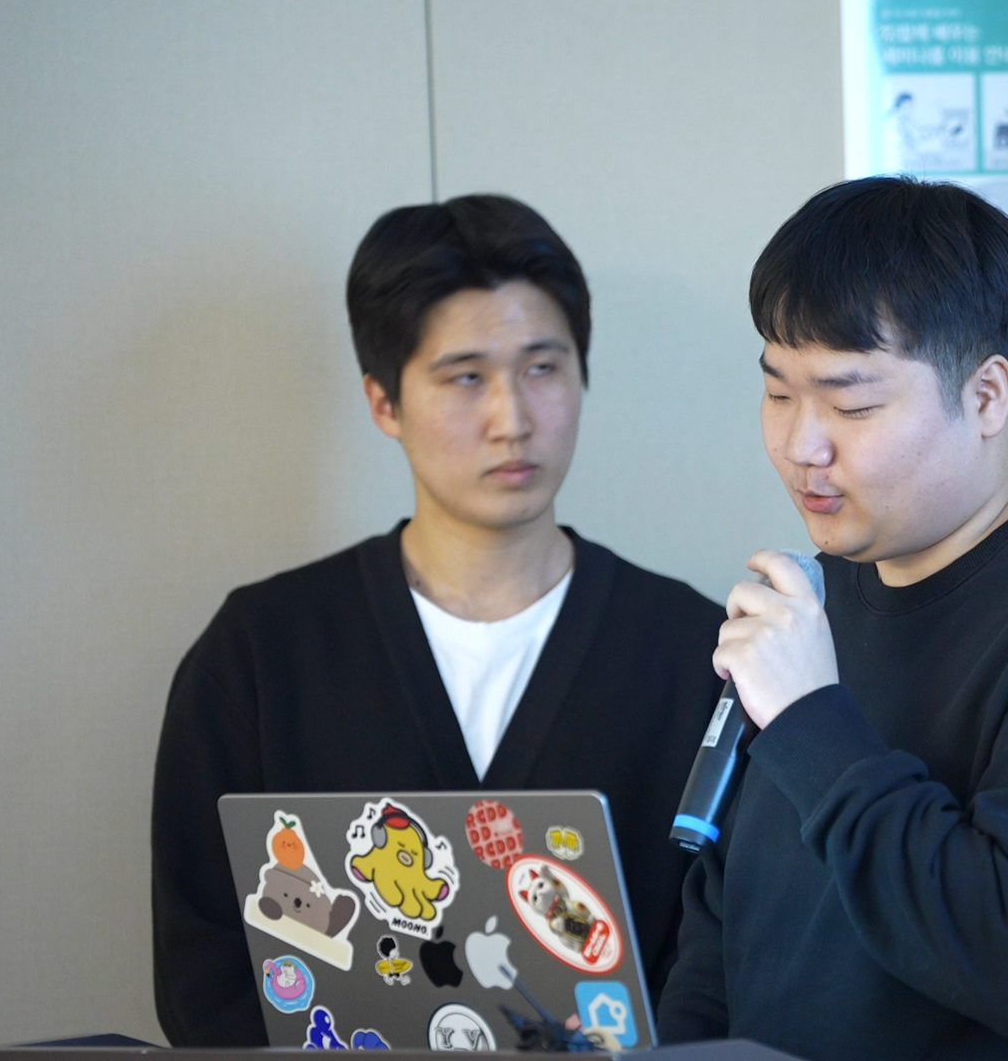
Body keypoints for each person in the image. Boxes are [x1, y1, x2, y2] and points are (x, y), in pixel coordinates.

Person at [657, 177, 1008, 1059]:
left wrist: (811, 720)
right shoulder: (817, 601)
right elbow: (724, 928)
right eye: (778, 393)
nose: (802, 444)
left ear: (987, 396)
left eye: (852, 405)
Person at [151, 195, 724, 1046]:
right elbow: (201, 969)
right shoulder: (263, 653)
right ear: (384, 402)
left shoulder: (689, 653)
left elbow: (722, 958)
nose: (512, 420)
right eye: (465, 377)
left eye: (543, 368)